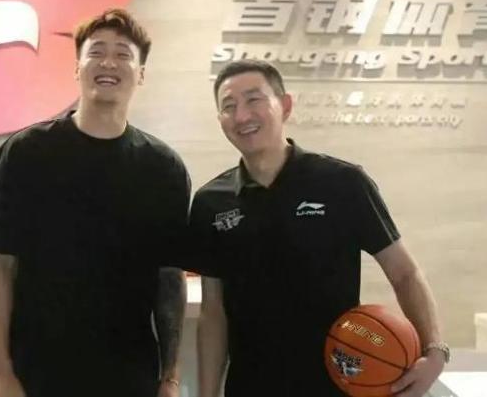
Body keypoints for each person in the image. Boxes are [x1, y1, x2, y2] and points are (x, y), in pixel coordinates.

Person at [191, 59, 448, 397]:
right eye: (229, 106)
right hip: (251, 386)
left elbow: (404, 273)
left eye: (254, 99)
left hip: (338, 385)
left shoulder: (343, 183)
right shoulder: (211, 202)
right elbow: (213, 312)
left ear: (285, 106)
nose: (241, 116)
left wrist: (434, 350)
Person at [0, 9, 190, 397]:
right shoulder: (26, 154)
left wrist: (170, 377)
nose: (109, 63)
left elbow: (169, 278)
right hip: (37, 373)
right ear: (77, 68)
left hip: (129, 375)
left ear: (140, 74)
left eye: (123, 54)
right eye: (96, 52)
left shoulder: (163, 168)